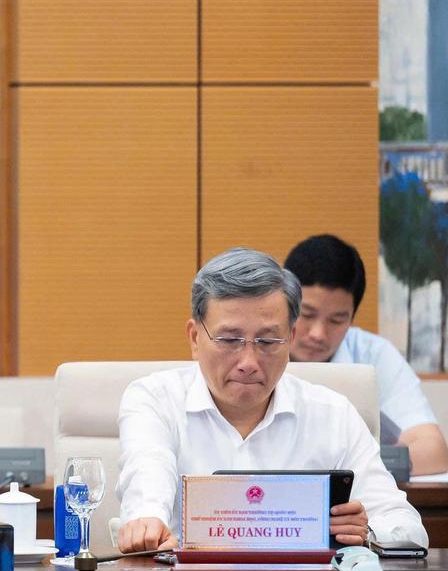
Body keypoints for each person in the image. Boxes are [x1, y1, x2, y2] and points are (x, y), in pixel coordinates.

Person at [116, 248, 426, 553]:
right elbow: (148, 479)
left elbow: (408, 529)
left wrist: (365, 532)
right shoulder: (155, 401)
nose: (248, 362)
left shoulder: (333, 414)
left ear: (290, 339)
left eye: (267, 341)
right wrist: (148, 523)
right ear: (195, 338)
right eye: (229, 340)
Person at [283, 233, 448, 475]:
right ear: (284, 306)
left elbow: (433, 451)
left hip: (356, 494)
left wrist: (345, 471)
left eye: (337, 320)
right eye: (306, 314)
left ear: (352, 317)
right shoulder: (254, 350)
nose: (318, 333)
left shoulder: (373, 354)